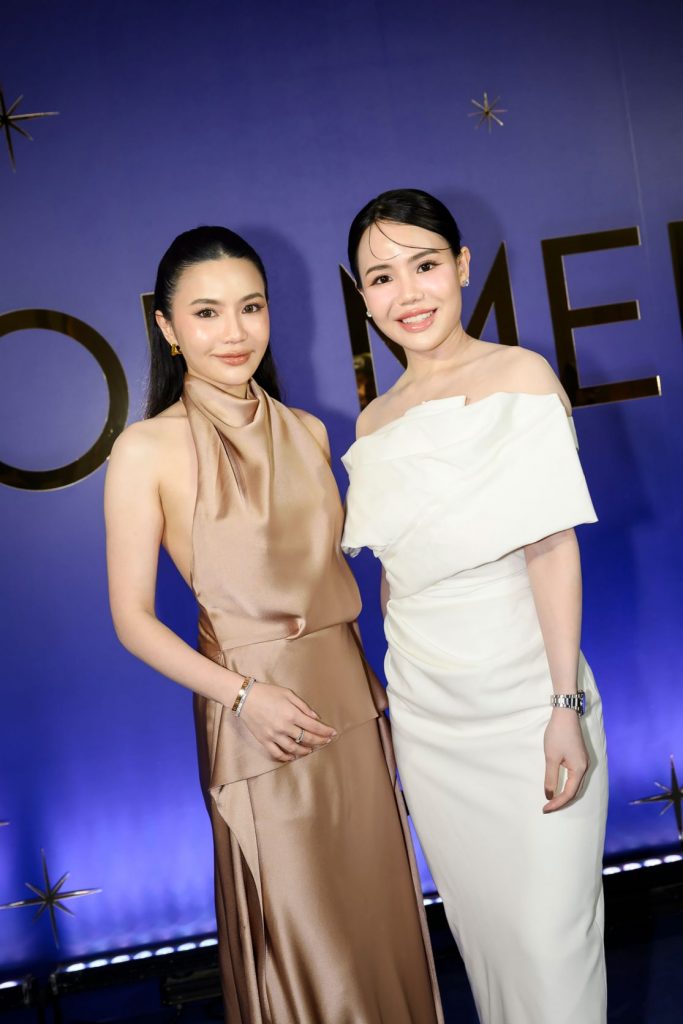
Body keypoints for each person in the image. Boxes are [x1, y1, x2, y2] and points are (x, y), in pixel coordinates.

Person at [104, 226, 443, 1024]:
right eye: (207, 313)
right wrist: (242, 696)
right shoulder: (145, 449)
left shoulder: (310, 431)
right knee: (305, 945)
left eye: (250, 308)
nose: (234, 332)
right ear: (166, 326)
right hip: (258, 726)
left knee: (377, 926)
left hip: (352, 711)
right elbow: (132, 620)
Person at [341, 189, 608, 1024]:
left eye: (423, 265)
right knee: (491, 951)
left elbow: (551, 548)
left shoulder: (519, 376)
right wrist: (395, 715)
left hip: (529, 704)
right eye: (380, 277)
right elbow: (395, 580)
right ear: (362, 295)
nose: (406, 293)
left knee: (550, 949)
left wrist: (563, 705)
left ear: (460, 267)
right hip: (432, 723)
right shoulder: (373, 422)